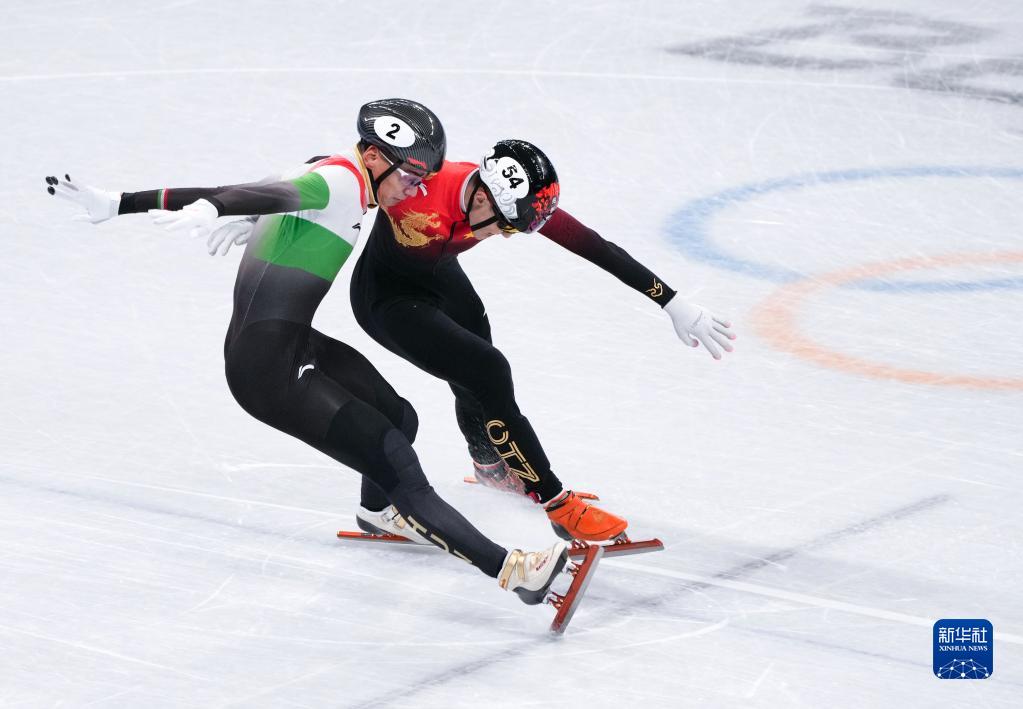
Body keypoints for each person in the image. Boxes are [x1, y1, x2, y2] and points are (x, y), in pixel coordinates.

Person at [44, 100, 573, 607]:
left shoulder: (334, 172)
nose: (415, 188)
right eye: (411, 175)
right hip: (268, 371)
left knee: (399, 416)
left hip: (293, 342)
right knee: (393, 457)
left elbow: (277, 193)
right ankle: (515, 572)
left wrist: (250, 219)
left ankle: (378, 513)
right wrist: (197, 206)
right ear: (374, 156)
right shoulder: (340, 184)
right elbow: (238, 191)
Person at [349, 139, 736, 542]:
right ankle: (557, 503)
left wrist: (671, 301)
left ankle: (491, 467)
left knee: (476, 352)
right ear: (481, 197)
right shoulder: (418, 183)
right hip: (384, 299)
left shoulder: (512, 201)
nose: (508, 235)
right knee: (487, 370)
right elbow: (346, 176)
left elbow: (594, 246)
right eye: (507, 225)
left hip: (436, 274)